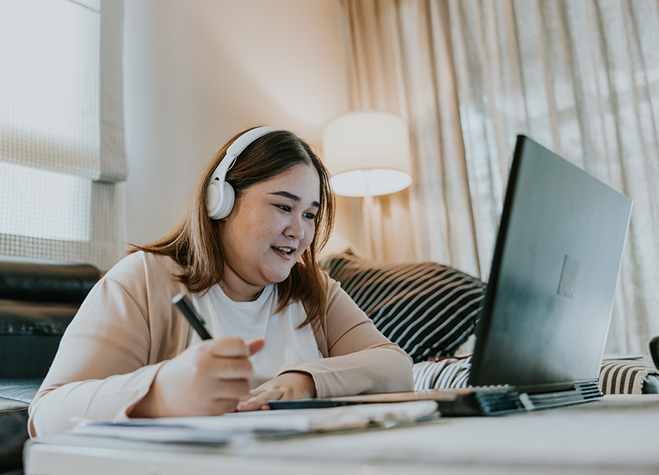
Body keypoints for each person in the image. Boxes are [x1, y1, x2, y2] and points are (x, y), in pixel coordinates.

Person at [28, 127, 414, 437]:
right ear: (221, 202)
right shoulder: (144, 280)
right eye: (283, 206)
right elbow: (46, 415)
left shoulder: (315, 290)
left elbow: (396, 368)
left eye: (310, 214)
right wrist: (159, 393)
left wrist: (306, 381)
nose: (299, 231)